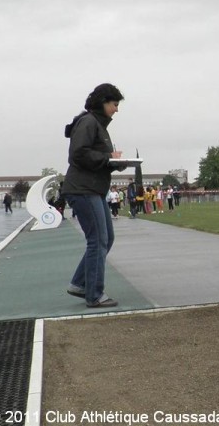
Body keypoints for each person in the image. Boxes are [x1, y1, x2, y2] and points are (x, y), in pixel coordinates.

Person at [61, 83, 125, 308]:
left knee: (107, 239)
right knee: (98, 240)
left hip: (92, 189)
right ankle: (94, 294)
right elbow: (79, 153)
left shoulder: (97, 124)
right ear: (103, 102)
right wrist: (108, 159)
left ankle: (80, 283)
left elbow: (93, 155)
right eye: (115, 104)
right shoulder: (89, 122)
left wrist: (113, 162)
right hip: (83, 189)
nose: (117, 110)